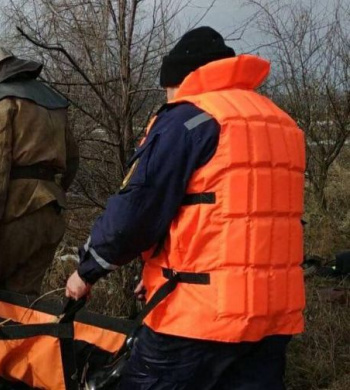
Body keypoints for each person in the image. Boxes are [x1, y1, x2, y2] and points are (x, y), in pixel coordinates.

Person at [65, 27, 305, 389]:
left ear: (180, 79)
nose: (167, 95)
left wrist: (87, 270)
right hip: (272, 317)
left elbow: (134, 215)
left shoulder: (190, 120)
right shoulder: (281, 123)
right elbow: (237, 222)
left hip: (199, 320)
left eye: (167, 87)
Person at [0, 42, 79, 295]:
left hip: (15, 213)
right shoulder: (51, 102)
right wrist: (53, 194)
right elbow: (73, 161)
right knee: (22, 309)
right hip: (51, 215)